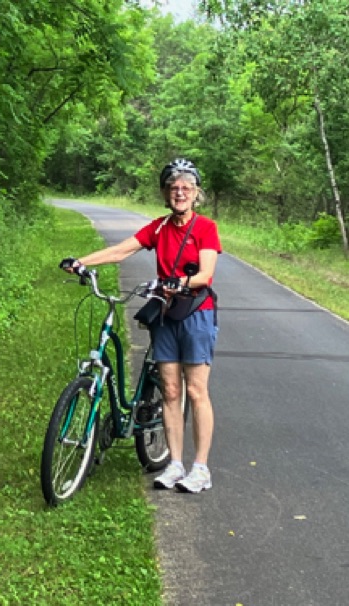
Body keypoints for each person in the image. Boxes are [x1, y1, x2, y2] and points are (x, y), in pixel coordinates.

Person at [60, 158, 221, 493]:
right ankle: (175, 464)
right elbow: (121, 250)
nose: (180, 192)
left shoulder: (205, 228)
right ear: (165, 193)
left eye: (186, 188)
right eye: (173, 187)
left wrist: (180, 281)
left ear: (195, 193)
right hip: (165, 314)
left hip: (196, 314)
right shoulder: (159, 228)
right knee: (171, 390)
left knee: (195, 390)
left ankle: (201, 468)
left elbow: (205, 274)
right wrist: (80, 262)